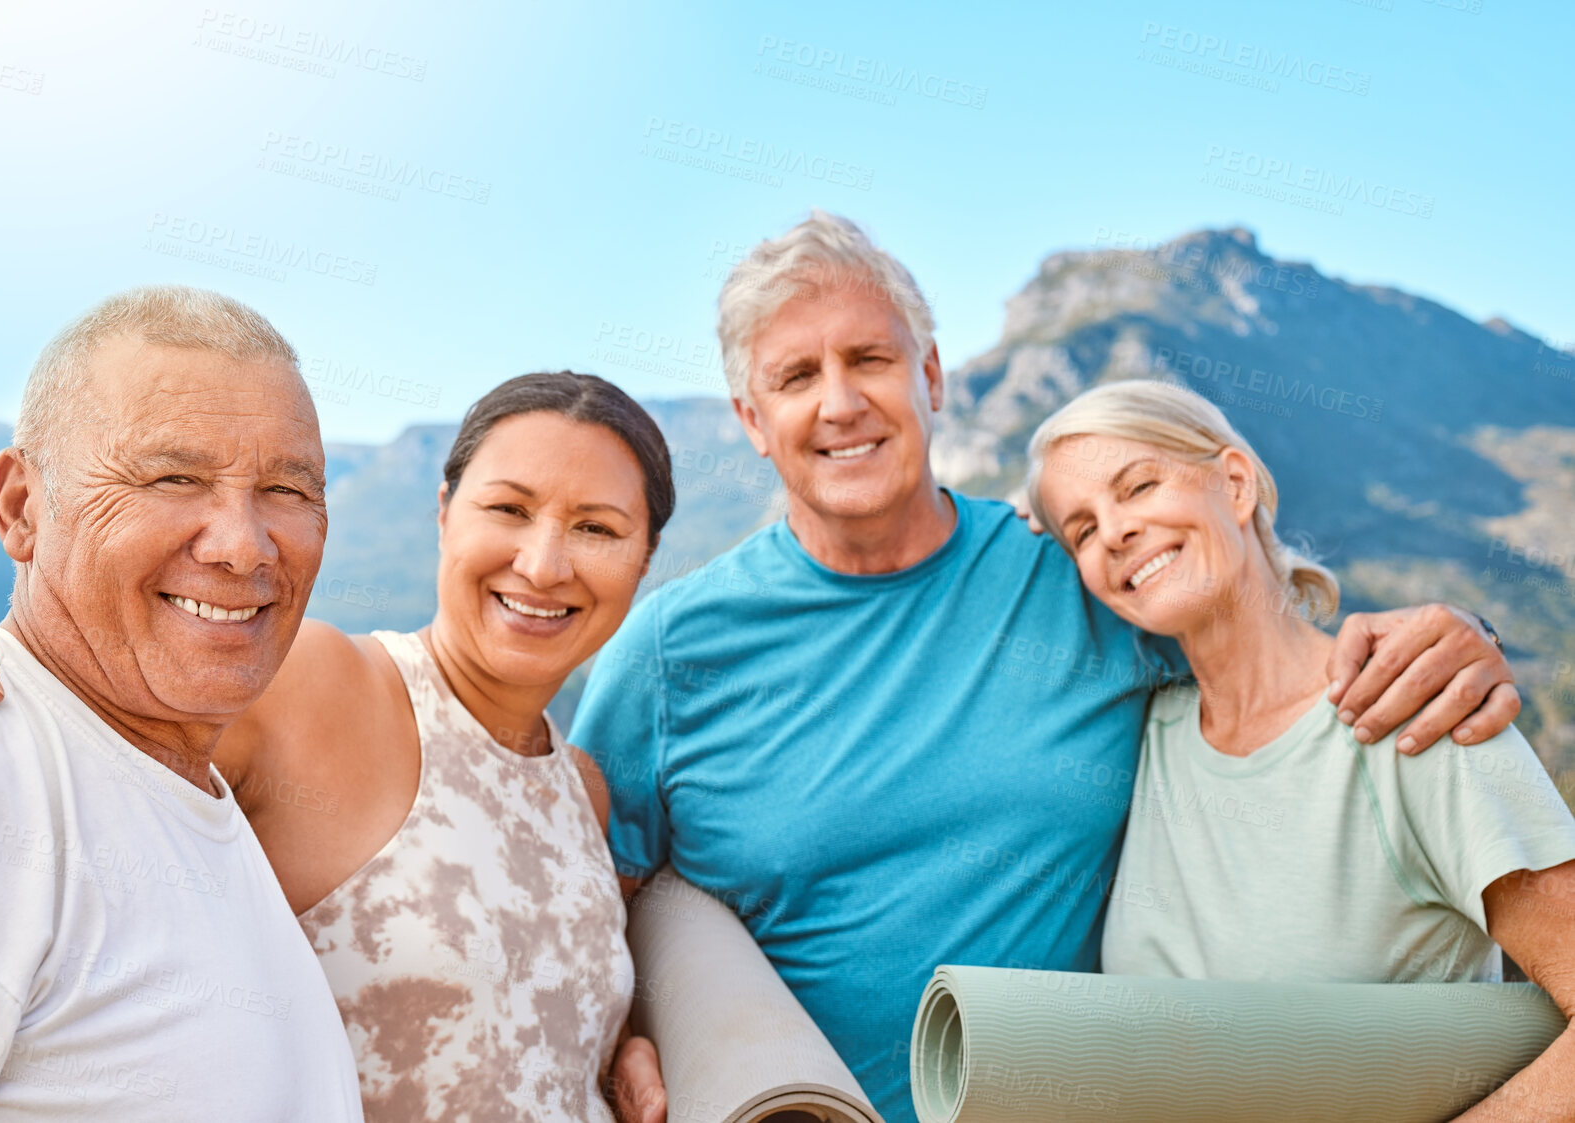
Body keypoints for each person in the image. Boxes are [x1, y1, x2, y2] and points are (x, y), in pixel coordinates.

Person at [567, 211, 1523, 1122]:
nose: (841, 401)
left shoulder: (1076, 576)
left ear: (931, 375)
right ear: (751, 417)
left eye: (870, 359)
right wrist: (628, 1036)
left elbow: (1258, 636)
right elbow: (582, 904)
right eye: (795, 376)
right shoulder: (670, 653)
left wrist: (1461, 635)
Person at [0, 370, 676, 1122]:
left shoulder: (583, 790)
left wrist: (619, 1049)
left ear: (645, 559)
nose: (544, 562)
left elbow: (529, 1009)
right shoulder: (317, 683)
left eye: (597, 528)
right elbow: (78, 685)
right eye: (509, 510)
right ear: (446, 514)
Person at [0, 286, 366, 1120]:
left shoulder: (188, 783)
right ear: (21, 507)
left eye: (288, 488)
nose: (245, 544)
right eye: (174, 476)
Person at [1028, 379, 1575, 1121]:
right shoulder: (1139, 734)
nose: (1116, 530)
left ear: (1235, 481)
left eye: (1140, 485)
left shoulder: (1413, 714)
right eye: (1083, 529)